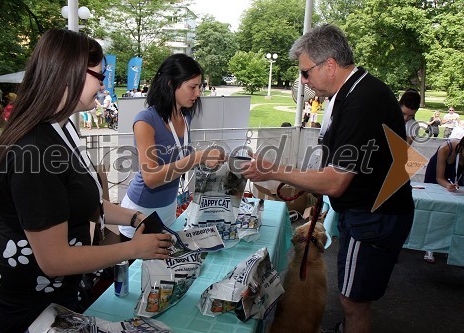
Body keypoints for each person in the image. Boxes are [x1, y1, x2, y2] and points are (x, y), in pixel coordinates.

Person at [0, 29, 172, 332]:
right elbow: (54, 260)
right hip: (29, 309)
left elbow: (80, 201)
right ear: (70, 74)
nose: (103, 84)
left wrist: (136, 217)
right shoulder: (35, 151)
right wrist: (133, 249)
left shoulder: (61, 129)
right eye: (100, 75)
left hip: (60, 296)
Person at [242, 24, 414, 333]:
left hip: (374, 217)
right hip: (369, 213)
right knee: (354, 298)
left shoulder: (361, 101)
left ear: (330, 65)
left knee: (353, 302)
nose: (303, 80)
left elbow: (335, 181)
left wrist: (272, 170)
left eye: (306, 73)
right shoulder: (356, 92)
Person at [118, 53, 224, 242]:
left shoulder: (185, 117)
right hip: (140, 213)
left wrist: (207, 158)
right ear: (170, 84)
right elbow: (151, 178)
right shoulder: (145, 121)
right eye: (192, 87)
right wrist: (197, 158)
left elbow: (176, 159)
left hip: (169, 209)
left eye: (200, 87)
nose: (198, 93)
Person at [423, 136, 464, 263]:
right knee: (437, 207)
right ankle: (430, 247)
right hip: (437, 175)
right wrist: (447, 185)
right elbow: (439, 177)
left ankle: (452, 244)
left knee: (458, 208)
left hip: (457, 175)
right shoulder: (446, 148)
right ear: (461, 147)